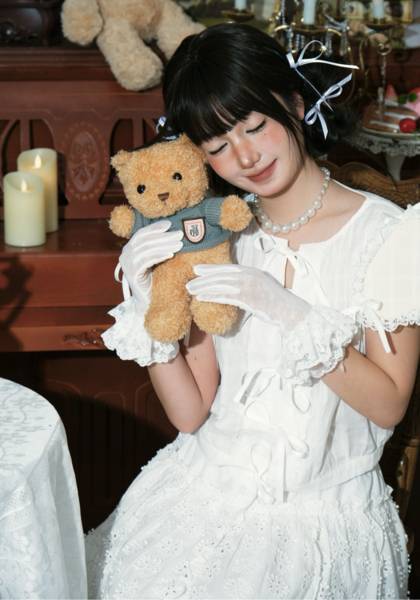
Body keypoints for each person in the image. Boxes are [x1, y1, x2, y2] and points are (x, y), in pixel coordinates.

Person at [86, 24, 420, 599]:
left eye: (254, 125)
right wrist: (147, 304)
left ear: (294, 103)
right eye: (217, 146)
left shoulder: (389, 236)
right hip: (199, 496)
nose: (244, 156)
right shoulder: (217, 235)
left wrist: (290, 312)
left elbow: (388, 403)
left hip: (322, 523)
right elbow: (190, 413)